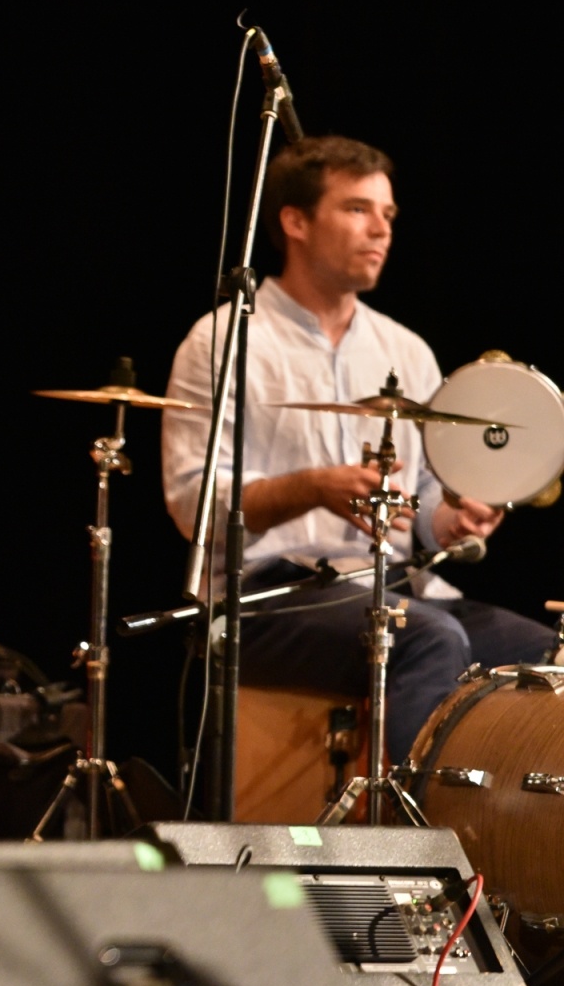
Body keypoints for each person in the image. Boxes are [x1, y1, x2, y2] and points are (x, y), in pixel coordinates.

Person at [160, 135, 554, 767]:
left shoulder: (406, 350)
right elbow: (193, 506)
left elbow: (425, 507)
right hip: (267, 595)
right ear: (295, 222)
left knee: (545, 654)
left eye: (388, 214)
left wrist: (453, 517)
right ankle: (409, 824)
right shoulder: (224, 340)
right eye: (357, 209)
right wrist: (314, 487)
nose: (381, 228)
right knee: (429, 637)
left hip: (393, 586)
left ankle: (499, 825)